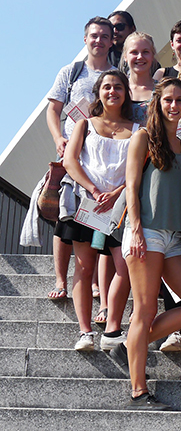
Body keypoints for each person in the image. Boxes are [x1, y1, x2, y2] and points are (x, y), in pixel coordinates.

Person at [111, 77, 181, 410]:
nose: (174, 105)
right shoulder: (143, 138)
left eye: (180, 100)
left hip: (175, 237)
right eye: (168, 100)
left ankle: (129, 345)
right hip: (146, 233)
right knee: (146, 309)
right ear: (157, 102)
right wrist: (134, 228)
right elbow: (131, 188)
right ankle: (138, 391)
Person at [60, 70, 136, 351]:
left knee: (124, 267)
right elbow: (70, 161)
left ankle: (113, 328)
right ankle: (85, 331)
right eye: (106, 87)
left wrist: (116, 194)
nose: (112, 91)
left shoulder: (138, 128)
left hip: (122, 207)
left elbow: (139, 169)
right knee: (83, 266)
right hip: (87, 204)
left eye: (118, 86)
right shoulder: (84, 124)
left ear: (126, 92)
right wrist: (93, 190)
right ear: (98, 92)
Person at [46, 17, 114, 302]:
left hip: (101, 156)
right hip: (71, 155)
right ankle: (61, 280)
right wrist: (58, 138)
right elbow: (53, 110)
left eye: (104, 36)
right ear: (85, 39)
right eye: (93, 35)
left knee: (98, 220)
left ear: (112, 41)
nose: (98, 40)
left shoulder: (115, 75)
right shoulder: (71, 72)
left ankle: (97, 282)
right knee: (66, 216)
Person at [122, 32, 158, 123]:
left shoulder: (162, 90)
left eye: (145, 52)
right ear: (125, 57)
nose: (140, 57)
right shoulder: (118, 89)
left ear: (152, 55)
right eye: (134, 52)